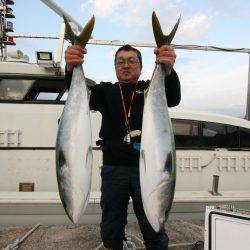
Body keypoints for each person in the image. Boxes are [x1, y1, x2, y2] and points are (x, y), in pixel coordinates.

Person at [65, 44, 181, 250]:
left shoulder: (149, 89)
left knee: (153, 224)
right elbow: (79, 98)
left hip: (147, 170)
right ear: (115, 67)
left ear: (141, 66)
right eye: (120, 61)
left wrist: (168, 70)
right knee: (111, 225)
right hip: (113, 169)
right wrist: (70, 68)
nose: (126, 65)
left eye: (132, 61)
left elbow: (173, 98)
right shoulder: (105, 91)